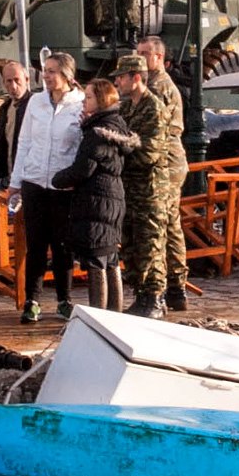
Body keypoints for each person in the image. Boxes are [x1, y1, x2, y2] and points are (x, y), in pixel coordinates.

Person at [5, 49, 88, 322]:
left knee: (63, 245)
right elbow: (24, 142)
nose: (46, 76)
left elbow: (80, 147)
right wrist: (16, 182)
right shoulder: (36, 103)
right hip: (34, 182)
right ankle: (33, 300)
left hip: (62, 186)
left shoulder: (80, 104)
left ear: (66, 75)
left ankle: (64, 299)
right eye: (45, 71)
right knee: (36, 244)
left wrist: (74, 180)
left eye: (52, 71)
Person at [105, 57, 171, 315]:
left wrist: (120, 152)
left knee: (150, 243)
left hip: (150, 189)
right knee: (131, 244)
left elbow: (149, 153)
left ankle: (155, 298)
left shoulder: (153, 108)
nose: (116, 82)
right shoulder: (126, 108)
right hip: (129, 189)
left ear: (136, 77)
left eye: (121, 77)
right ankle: (141, 294)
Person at [133, 34, 193, 311]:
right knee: (169, 225)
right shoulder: (150, 84)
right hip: (165, 161)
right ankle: (176, 288)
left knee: (163, 226)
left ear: (159, 57)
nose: (140, 57)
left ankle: (171, 286)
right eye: (138, 52)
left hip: (166, 163)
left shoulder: (158, 88)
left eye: (145, 53)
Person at [75, 76, 140, 312]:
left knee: (96, 258)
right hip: (113, 197)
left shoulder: (98, 133)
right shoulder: (116, 125)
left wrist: (58, 179)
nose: (84, 102)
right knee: (110, 257)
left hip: (98, 199)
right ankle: (115, 315)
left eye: (89, 97)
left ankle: (100, 319)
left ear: (101, 101)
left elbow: (83, 168)